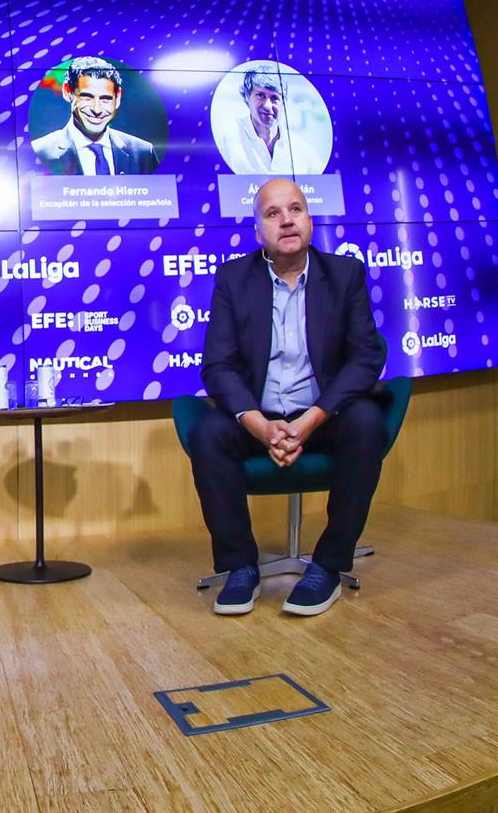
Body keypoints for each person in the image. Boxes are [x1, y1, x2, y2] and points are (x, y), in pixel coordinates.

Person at [188, 177, 386, 617]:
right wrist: (259, 425)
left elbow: (365, 358)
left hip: (322, 415)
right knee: (207, 435)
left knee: (368, 423)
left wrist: (311, 419)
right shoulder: (234, 279)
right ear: (259, 232)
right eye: (272, 214)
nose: (286, 221)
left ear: (310, 221)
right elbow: (217, 365)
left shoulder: (345, 274)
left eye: (295, 209)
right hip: (260, 416)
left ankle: (329, 566)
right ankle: (240, 565)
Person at [31, 57, 159, 175]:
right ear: (67, 92)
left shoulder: (143, 152)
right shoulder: (40, 151)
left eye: (106, 99)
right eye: (87, 97)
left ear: (118, 98)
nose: (97, 110)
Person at [228, 64, 326, 176]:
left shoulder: (301, 149)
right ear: (247, 96)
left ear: (284, 102)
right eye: (261, 95)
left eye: (275, 98)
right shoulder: (228, 139)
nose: (268, 105)